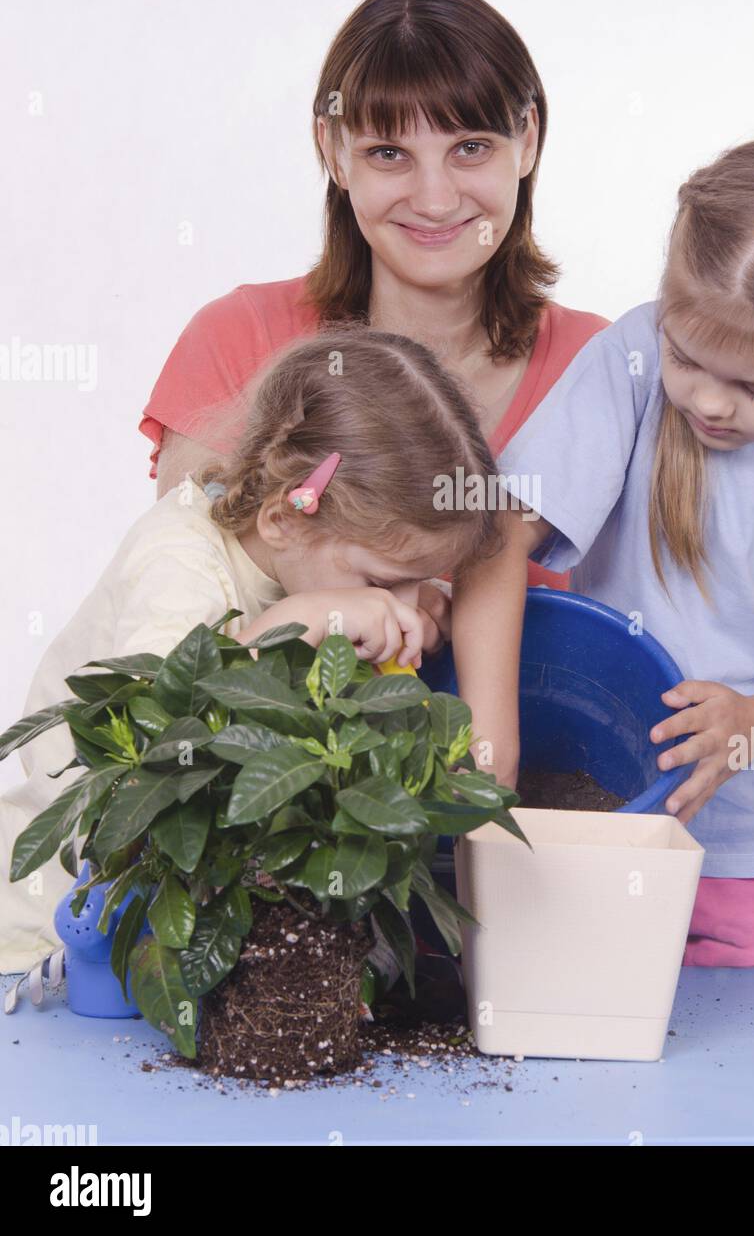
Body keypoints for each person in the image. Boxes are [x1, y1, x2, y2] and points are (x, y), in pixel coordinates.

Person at [449, 135, 754, 967]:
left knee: (750, 1078)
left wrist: (752, 726)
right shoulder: (634, 360)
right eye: (689, 357)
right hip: (598, 831)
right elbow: (500, 534)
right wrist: (492, 750)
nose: (710, 403)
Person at [0, 328, 507, 972]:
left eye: (424, 579)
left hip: (190, 904)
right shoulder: (181, 560)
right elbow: (159, 730)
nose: (402, 607)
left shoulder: (310, 558)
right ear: (284, 519)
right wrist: (301, 618)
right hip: (55, 914)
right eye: (382, 581)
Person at [140, 0, 608, 614]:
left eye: (471, 147)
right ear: (333, 151)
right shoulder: (237, 340)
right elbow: (184, 624)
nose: (436, 199)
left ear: (526, 138)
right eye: (389, 153)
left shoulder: (604, 366)